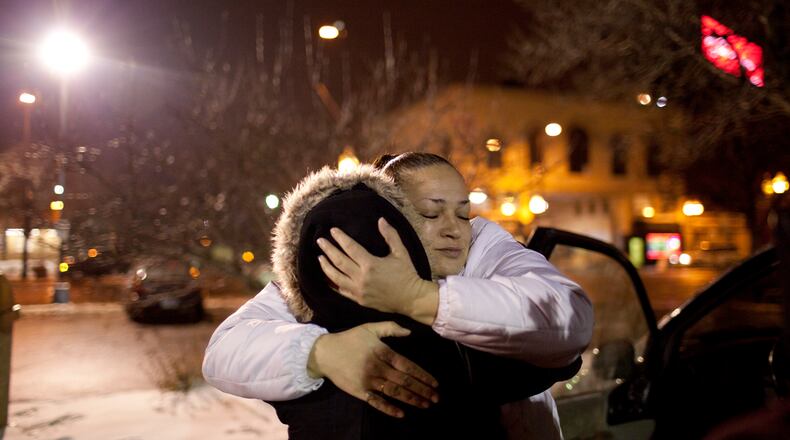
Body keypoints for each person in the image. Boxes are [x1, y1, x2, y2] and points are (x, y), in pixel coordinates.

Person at [203, 152, 594, 438]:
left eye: (462, 212)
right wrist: (321, 353)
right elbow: (224, 351)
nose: (454, 230)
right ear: (390, 218)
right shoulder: (337, 274)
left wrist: (417, 298)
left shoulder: (484, 247)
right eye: (430, 213)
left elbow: (570, 319)